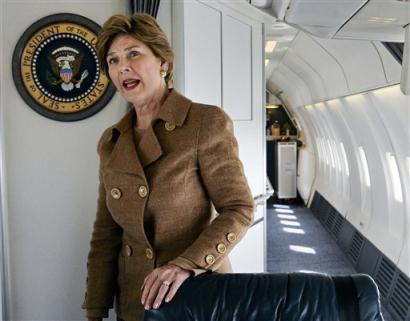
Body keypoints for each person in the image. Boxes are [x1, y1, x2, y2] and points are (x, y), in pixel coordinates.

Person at [82, 13, 255, 321]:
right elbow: (105, 235)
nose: (123, 67)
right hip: (136, 301)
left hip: (197, 296)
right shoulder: (111, 142)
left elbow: (238, 208)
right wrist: (95, 311)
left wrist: (184, 265)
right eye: (113, 60)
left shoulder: (204, 123)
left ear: (162, 61)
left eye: (134, 53)